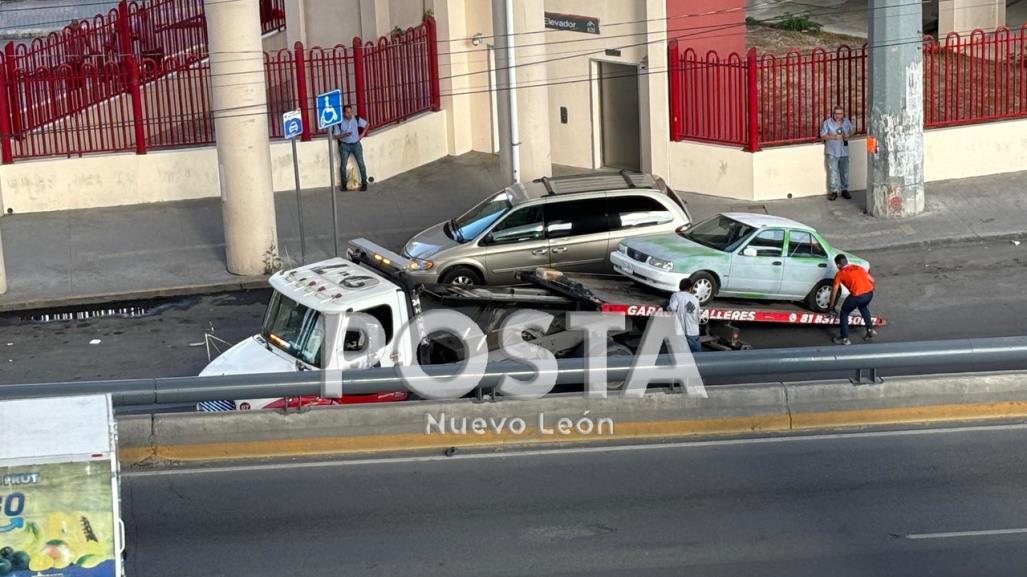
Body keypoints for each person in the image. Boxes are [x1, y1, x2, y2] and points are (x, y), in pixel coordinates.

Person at [827, 254, 877, 345]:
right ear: (846, 261)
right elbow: (872, 280)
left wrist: (831, 305)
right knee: (863, 307)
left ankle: (844, 338)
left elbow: (834, 291)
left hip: (858, 296)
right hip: (869, 293)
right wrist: (870, 290)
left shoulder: (840, 274)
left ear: (838, 265)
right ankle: (870, 330)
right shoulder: (858, 267)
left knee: (844, 313)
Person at [331, 105, 369, 191]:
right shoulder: (339, 122)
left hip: (356, 144)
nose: (350, 114)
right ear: (343, 113)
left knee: (361, 164)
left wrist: (362, 134)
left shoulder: (356, 118)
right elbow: (336, 136)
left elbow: (367, 124)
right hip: (344, 146)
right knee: (343, 165)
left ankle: (364, 183)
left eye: (350, 112)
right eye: (347, 112)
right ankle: (343, 184)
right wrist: (344, 135)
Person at [819, 106, 853, 201]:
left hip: (844, 151)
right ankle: (833, 191)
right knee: (833, 172)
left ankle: (844, 190)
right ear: (833, 114)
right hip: (832, 151)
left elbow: (851, 131)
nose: (838, 116)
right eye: (836, 114)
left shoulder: (846, 122)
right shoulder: (827, 123)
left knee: (845, 172)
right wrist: (833, 137)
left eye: (840, 114)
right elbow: (822, 136)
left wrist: (848, 135)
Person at [667, 278, 702, 353]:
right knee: (697, 356)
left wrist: (667, 308)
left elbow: (672, 308)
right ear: (690, 288)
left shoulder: (676, 295)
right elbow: (698, 316)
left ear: (680, 287)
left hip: (681, 331)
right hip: (693, 332)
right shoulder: (695, 299)